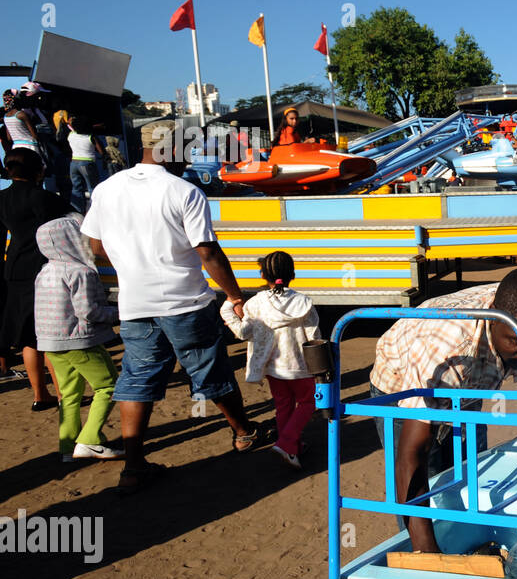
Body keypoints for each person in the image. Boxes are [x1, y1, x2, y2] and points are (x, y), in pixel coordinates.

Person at [81, 145, 261, 494]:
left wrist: (133, 266)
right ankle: (243, 434)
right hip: (184, 301)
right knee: (210, 368)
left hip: (135, 303)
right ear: (173, 155)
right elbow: (207, 250)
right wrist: (235, 295)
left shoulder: (106, 188)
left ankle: (133, 467)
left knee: (137, 378)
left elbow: (96, 246)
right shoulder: (183, 191)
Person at [367, 268, 517, 553]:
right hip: (404, 387)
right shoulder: (448, 348)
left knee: (469, 475)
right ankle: (424, 558)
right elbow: (411, 457)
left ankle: (466, 548)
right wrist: (430, 560)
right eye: (515, 343)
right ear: (493, 315)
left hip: (471, 385)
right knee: (431, 483)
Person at [219, 251, 322, 470]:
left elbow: (244, 333)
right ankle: (287, 443)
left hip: (273, 368)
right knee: (308, 403)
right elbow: (314, 337)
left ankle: (291, 447)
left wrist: (229, 308)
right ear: (292, 274)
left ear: (263, 274)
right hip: (300, 367)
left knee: (283, 405)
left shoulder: (255, 304)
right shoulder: (303, 303)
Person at [33, 213, 123, 462]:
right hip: (79, 340)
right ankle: (90, 440)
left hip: (50, 341)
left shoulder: (45, 270)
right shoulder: (81, 272)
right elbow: (88, 312)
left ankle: (67, 446)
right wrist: (119, 312)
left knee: (69, 393)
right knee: (109, 386)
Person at [0, 148, 68, 410]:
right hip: (43, 267)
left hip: (14, 267)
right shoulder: (44, 198)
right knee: (49, 335)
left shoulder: (3, 198)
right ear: (38, 170)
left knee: (29, 337)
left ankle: (40, 394)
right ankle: (62, 394)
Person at [66, 114, 104, 214]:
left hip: (73, 163)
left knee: (76, 188)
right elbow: (101, 152)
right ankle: (94, 212)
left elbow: (73, 125)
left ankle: (78, 211)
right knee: (92, 188)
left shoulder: (71, 135)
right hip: (87, 163)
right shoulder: (91, 137)